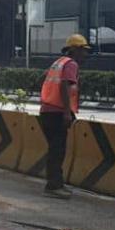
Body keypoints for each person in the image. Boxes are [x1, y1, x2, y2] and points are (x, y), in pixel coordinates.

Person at [37, 34, 91, 199]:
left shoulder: (58, 62)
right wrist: (67, 111)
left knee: (55, 149)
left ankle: (56, 183)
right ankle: (53, 186)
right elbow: (65, 86)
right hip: (57, 113)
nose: (85, 55)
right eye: (83, 50)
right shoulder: (71, 64)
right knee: (57, 150)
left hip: (46, 111)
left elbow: (41, 79)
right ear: (74, 50)